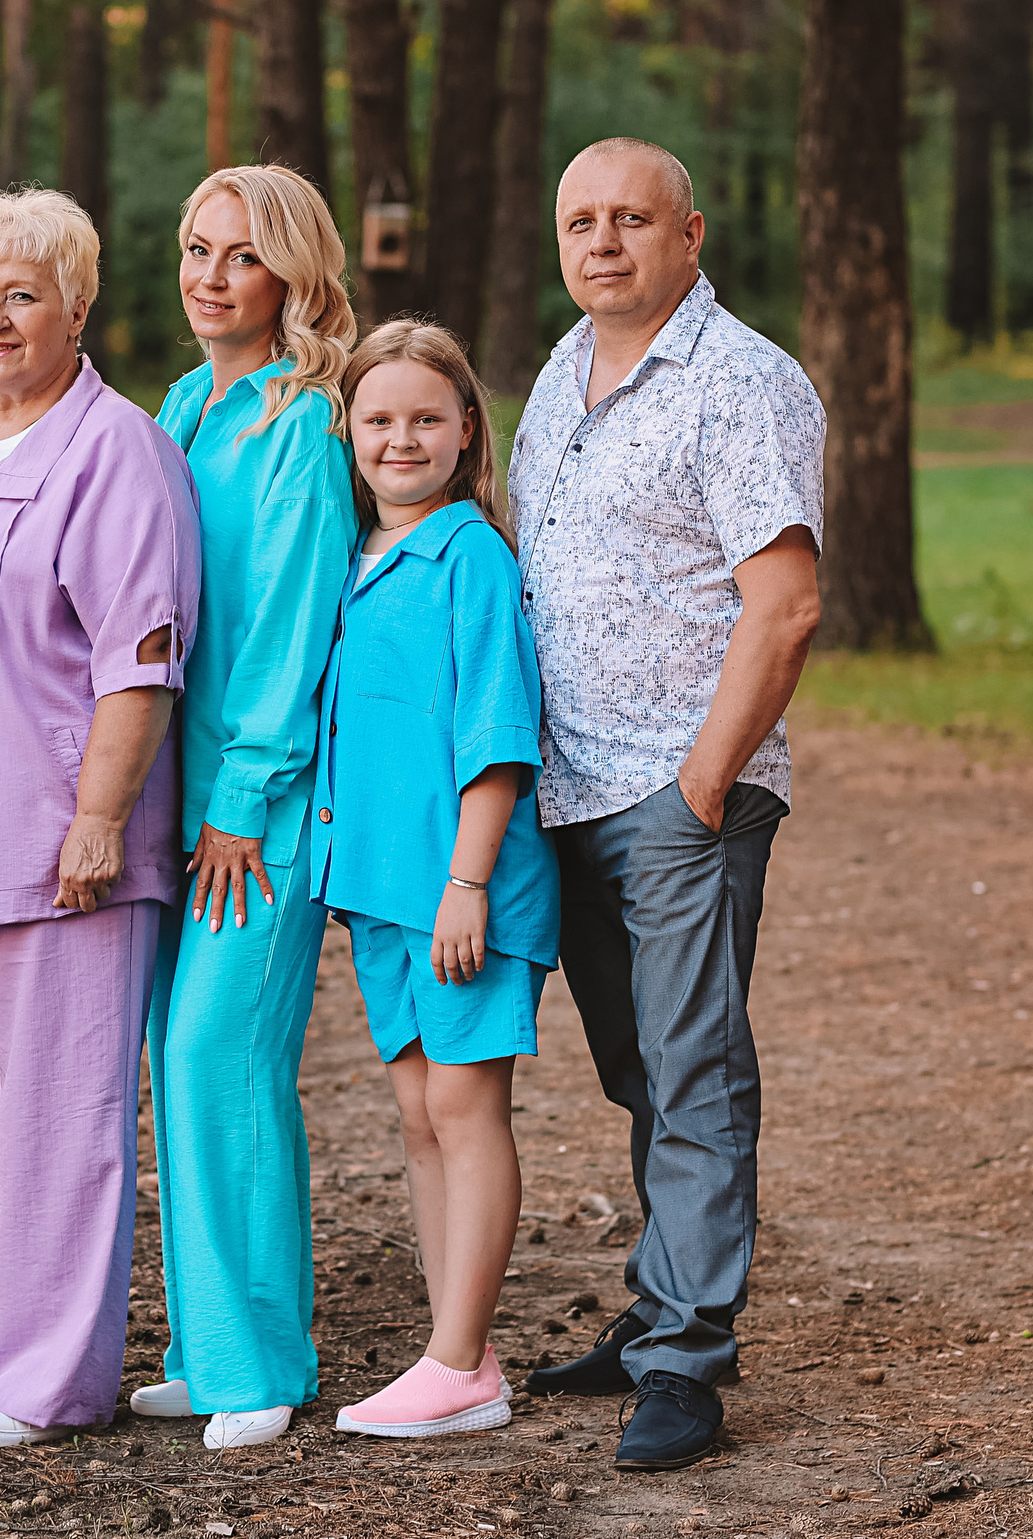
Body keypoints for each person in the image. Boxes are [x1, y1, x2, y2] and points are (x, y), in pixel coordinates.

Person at [509, 138, 824, 1471]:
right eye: (581, 219)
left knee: (692, 1064)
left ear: (689, 232)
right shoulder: (559, 373)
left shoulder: (742, 383)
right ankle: (657, 1308)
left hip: (678, 791)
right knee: (638, 1065)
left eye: (631, 217)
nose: (602, 241)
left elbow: (787, 601)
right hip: (572, 790)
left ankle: (688, 1358)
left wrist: (700, 788)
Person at [0, 188, 202, 1448]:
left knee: (65, 1116)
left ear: (77, 303)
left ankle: (46, 1378)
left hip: (67, 839)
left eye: (23, 293)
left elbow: (141, 651)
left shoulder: (114, 448)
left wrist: (101, 814)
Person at [131, 166, 357, 1451]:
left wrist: (241, 797)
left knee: (226, 1058)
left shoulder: (305, 420)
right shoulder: (183, 404)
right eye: (196, 249)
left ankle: (261, 1359)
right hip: (174, 793)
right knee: (177, 1058)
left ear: (292, 276)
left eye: (241, 257)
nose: (210, 277)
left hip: (256, 806)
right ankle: (203, 1342)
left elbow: (287, 624)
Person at [313, 321, 556, 1439]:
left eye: (424, 418)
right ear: (348, 432)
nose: (399, 438)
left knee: (463, 1108)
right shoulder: (353, 558)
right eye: (377, 420)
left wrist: (466, 883)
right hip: (381, 889)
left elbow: (495, 734)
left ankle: (459, 1364)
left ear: (466, 431)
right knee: (418, 1115)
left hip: (463, 891)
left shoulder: (470, 558)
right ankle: (454, 1344)